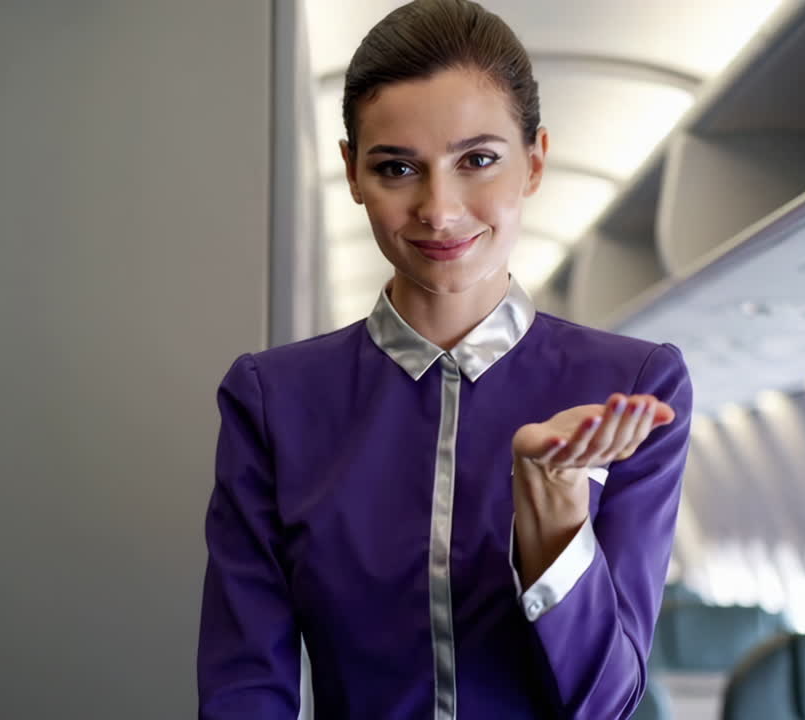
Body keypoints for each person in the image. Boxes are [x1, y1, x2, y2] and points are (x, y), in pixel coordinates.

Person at [196, 1, 692, 718]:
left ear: (536, 162)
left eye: (478, 160)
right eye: (397, 168)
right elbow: (246, 683)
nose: (439, 208)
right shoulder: (273, 401)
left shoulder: (635, 386)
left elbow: (604, 702)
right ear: (353, 174)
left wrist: (555, 519)